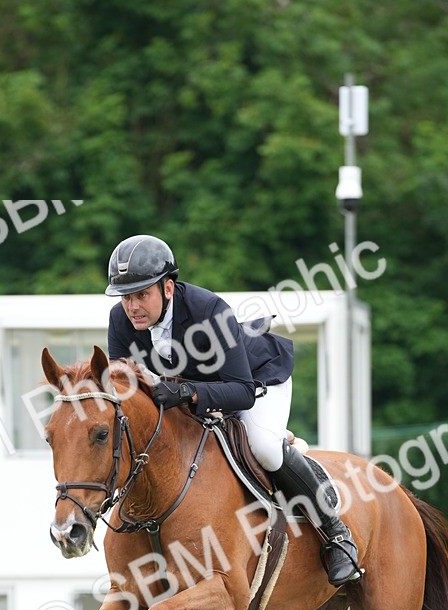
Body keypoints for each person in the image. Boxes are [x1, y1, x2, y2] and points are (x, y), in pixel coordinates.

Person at [105, 234, 361, 588]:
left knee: (265, 448)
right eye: (126, 297)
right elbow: (123, 389)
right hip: (194, 395)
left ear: (167, 288)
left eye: (141, 295)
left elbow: (241, 392)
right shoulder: (120, 320)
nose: (132, 306)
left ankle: (336, 533)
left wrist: (186, 391)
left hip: (255, 382)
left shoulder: (209, 310)